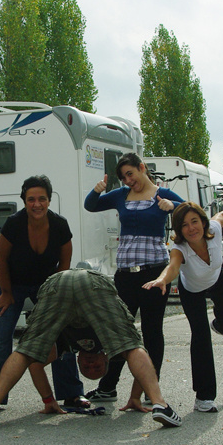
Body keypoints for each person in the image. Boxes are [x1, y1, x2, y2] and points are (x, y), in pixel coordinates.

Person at [0, 268, 182, 429]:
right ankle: (160, 404)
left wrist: (49, 400)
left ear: (78, 361)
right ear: (105, 360)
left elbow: (35, 364)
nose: (91, 365)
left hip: (59, 283)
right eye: (96, 368)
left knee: (28, 350)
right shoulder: (114, 349)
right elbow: (138, 351)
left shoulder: (64, 346)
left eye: (88, 369)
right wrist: (136, 397)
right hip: (90, 282)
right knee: (132, 345)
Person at [0, 176, 92, 414]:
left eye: (42, 199)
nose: (36, 204)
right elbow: (0, 259)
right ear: (24, 201)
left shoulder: (60, 225)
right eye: (31, 199)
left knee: (62, 331)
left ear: (49, 200)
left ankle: (71, 394)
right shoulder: (14, 224)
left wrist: (59, 299)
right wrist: (7, 293)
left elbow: (65, 263)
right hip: (8, 281)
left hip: (46, 284)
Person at [82, 152, 181, 410]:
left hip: (154, 274)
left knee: (151, 332)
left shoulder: (162, 194)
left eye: (130, 174)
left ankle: (151, 390)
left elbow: (190, 211)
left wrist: (173, 208)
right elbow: (91, 205)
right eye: (123, 177)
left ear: (142, 168)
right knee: (119, 333)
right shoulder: (120, 196)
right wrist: (97, 190)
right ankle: (108, 388)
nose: (128, 181)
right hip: (125, 275)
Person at [143, 202, 223, 412]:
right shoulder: (180, 249)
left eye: (195, 222)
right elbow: (172, 268)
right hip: (192, 291)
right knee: (200, 336)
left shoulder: (214, 230)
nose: (191, 228)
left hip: (218, 279)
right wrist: (162, 280)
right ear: (179, 230)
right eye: (184, 225)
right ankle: (204, 397)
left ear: (203, 222)